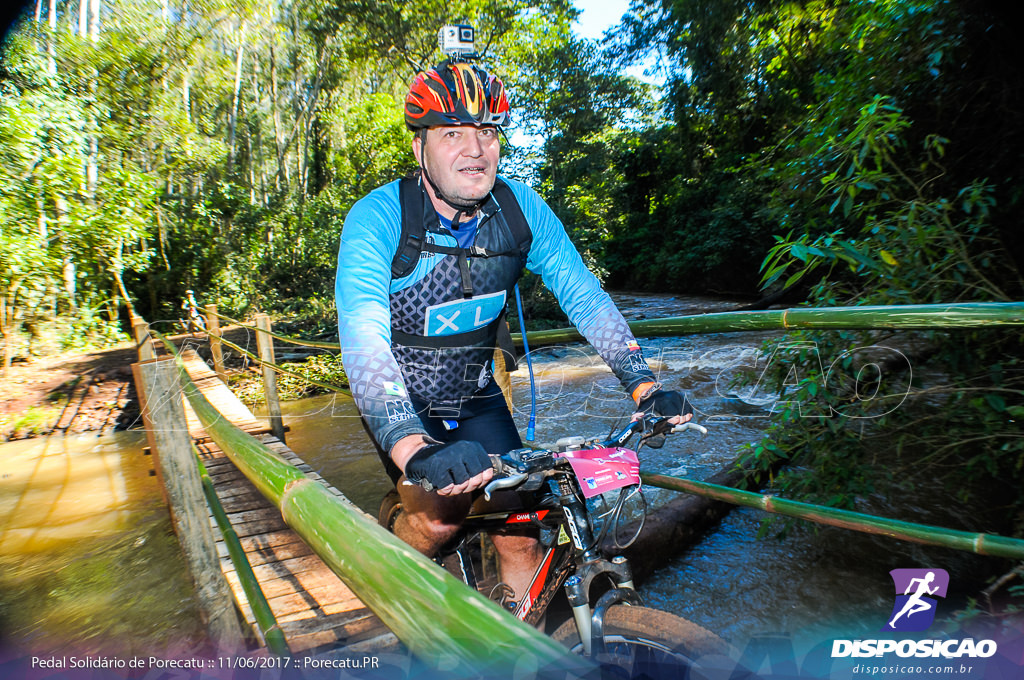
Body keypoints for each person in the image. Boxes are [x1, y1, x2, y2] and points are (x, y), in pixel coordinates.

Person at [335, 54, 694, 604]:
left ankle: (515, 649)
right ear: (420, 147)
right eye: (452, 132)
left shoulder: (520, 209)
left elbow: (583, 295)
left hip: (477, 393)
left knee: (522, 531)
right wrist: (412, 447)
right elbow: (363, 336)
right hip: (404, 398)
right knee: (440, 522)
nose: (475, 150)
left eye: (487, 131)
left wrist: (643, 385)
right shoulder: (379, 217)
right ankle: (393, 596)